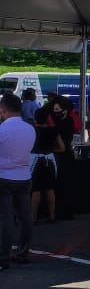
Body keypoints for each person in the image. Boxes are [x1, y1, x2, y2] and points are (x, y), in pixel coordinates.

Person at [0, 93, 37, 270]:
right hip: (24, 176)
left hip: (4, 177)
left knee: (5, 219)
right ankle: (23, 253)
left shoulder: (2, 130)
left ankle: (3, 257)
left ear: (3, 110)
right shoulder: (30, 129)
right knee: (25, 217)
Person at [30, 99, 63, 225]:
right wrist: (50, 150)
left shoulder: (32, 131)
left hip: (35, 160)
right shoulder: (52, 131)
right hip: (49, 159)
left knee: (36, 190)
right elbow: (62, 147)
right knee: (50, 189)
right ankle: (52, 215)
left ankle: (33, 217)